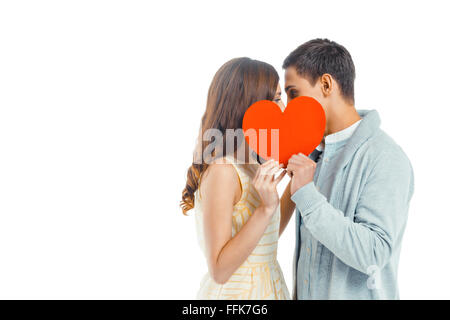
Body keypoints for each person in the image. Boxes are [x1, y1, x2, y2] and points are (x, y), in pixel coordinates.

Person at [283, 39, 415, 299]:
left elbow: (374, 253)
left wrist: (308, 197)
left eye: (293, 93)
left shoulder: (386, 157)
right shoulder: (314, 157)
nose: (288, 107)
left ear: (326, 84)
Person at [180, 58, 295, 299]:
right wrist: (265, 208)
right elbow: (219, 270)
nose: (283, 107)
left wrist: (295, 187)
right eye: (275, 99)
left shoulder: (251, 164)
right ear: (249, 107)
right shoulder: (223, 170)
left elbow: (265, 237)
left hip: (268, 288)